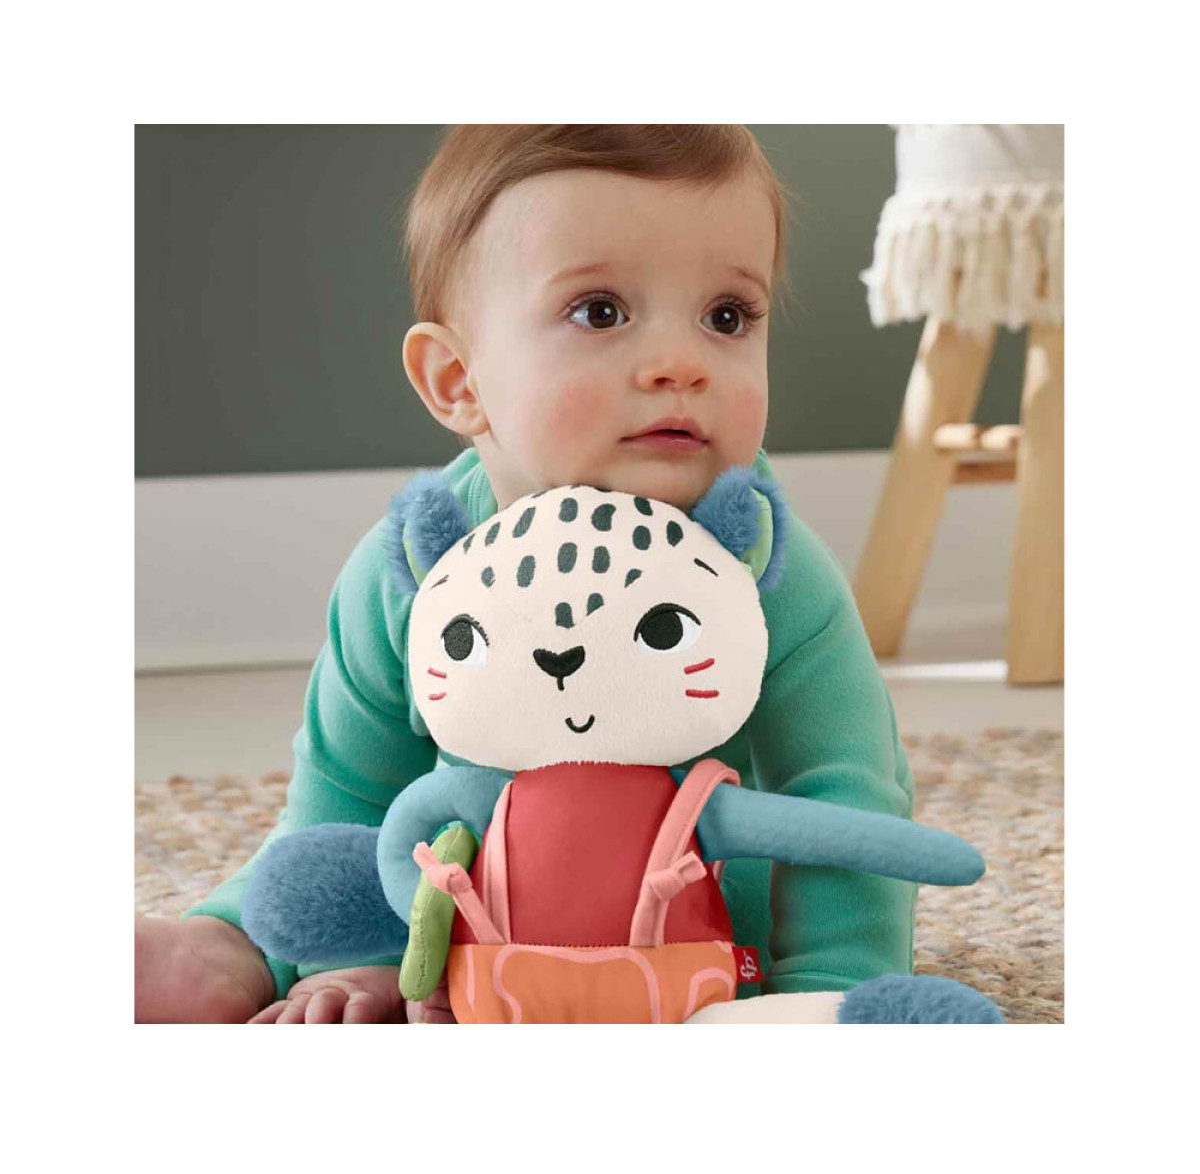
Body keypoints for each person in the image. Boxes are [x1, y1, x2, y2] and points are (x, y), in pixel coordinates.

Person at [135, 125, 916, 1024]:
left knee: (767, 900)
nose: (684, 363)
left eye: (727, 316)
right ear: (458, 379)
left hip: (695, 918)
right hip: (469, 899)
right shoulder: (411, 571)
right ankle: (232, 944)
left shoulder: (770, 570)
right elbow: (349, 793)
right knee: (305, 877)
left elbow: (843, 792)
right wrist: (362, 959)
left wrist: (828, 988)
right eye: (600, 313)